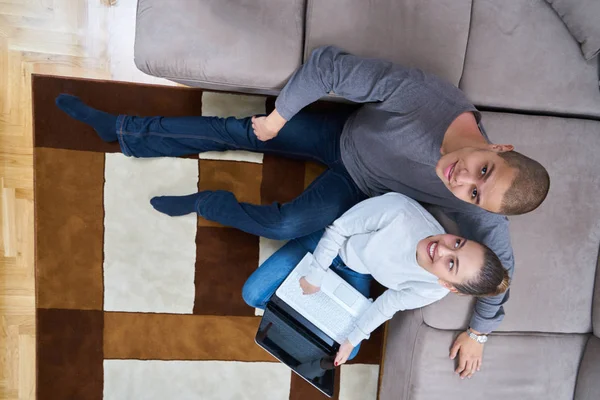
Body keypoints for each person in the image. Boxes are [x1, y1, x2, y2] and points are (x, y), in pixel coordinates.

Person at [54, 45, 550, 378]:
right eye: (482, 171)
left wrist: (479, 332)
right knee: (241, 131)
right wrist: (276, 120)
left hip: (360, 190)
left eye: (473, 196)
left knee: (285, 223)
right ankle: (123, 130)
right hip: (343, 133)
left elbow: (497, 274)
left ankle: (211, 203)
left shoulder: (482, 215)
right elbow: (327, 65)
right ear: (499, 146)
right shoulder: (430, 100)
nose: (461, 182)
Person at [243, 193, 510, 366]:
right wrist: (315, 274)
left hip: (355, 273)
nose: (442, 248)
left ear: (448, 286)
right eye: (458, 243)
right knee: (253, 295)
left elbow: (388, 304)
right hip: (327, 245)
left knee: (349, 349)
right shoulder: (401, 210)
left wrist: (350, 340)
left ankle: (297, 311)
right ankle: (298, 306)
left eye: (451, 263)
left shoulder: (433, 290)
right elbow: (338, 230)